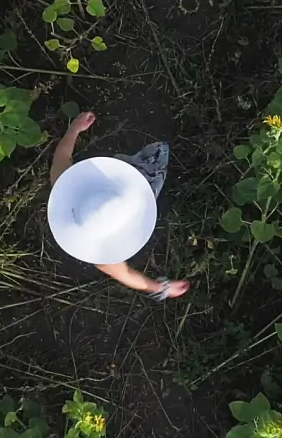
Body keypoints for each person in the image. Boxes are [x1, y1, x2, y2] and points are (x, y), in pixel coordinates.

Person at [47, 112, 190, 300]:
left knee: (151, 170)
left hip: (113, 184)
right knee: (148, 166)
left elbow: (124, 274)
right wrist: (74, 129)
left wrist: (162, 288)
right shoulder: (62, 185)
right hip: (108, 178)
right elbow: (62, 158)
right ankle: (136, 165)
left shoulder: (101, 254)